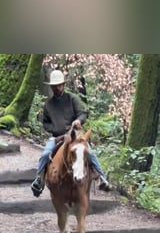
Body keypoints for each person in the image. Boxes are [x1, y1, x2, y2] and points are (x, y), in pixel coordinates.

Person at [30, 69, 111, 197]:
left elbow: (83, 113)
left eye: (59, 85)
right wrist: (54, 128)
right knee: (45, 154)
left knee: (89, 153)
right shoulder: (48, 104)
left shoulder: (72, 98)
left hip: (75, 136)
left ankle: (101, 177)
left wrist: (78, 121)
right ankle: (38, 180)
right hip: (58, 137)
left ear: (63, 85)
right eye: (54, 86)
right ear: (51, 87)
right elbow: (45, 123)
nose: (57, 88)